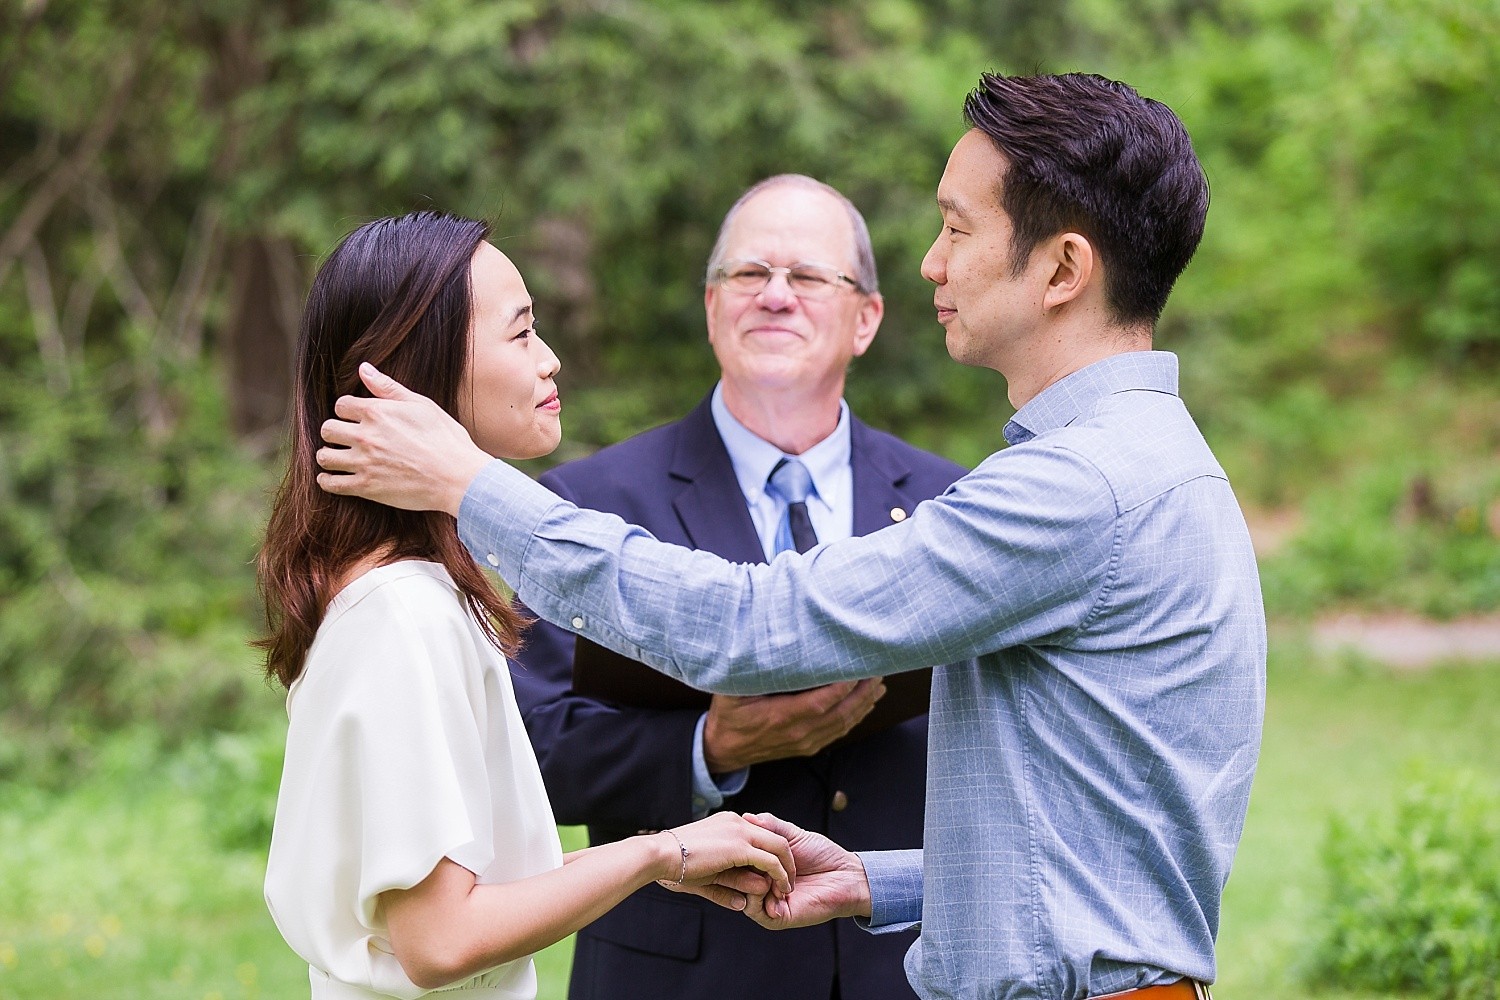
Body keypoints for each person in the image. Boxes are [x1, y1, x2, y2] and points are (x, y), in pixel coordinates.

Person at [316, 72, 1266, 1000]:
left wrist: (471, 485)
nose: (933, 261)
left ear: (1062, 269)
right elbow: (1092, 853)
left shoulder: (1080, 487)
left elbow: (754, 627)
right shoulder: (1146, 463)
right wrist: (873, 882)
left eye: (957, 228)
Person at [257, 211, 794, 1000]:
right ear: (420, 372)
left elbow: (473, 894)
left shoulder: (416, 596)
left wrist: (671, 845)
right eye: (520, 334)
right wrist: (653, 857)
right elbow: (440, 942)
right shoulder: (404, 613)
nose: (550, 360)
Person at [510, 175, 966, 1000]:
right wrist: (709, 750)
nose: (776, 297)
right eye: (749, 275)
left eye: (808, 276)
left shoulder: (953, 507)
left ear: (866, 317)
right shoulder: (587, 507)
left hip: (906, 970)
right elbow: (525, 752)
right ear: (713, 306)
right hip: (678, 977)